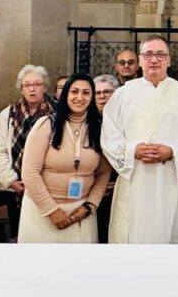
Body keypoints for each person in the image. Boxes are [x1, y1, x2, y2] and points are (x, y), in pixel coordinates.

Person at [101, 35, 178, 244]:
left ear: (169, 59)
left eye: (160, 54)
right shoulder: (122, 94)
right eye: (148, 54)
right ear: (140, 60)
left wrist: (173, 152)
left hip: (169, 177)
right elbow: (109, 137)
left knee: (167, 236)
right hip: (134, 175)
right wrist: (132, 151)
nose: (154, 59)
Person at [19, 73, 111, 243]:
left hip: (81, 214)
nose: (79, 97)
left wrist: (90, 206)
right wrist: (52, 211)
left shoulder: (99, 129)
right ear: (65, 95)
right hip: (42, 213)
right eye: (74, 92)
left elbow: (104, 172)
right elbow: (30, 173)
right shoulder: (46, 124)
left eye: (86, 93)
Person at [0, 64, 55, 239]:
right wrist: (11, 180)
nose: (32, 89)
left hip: (49, 187)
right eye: (27, 85)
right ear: (21, 88)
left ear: (45, 87)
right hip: (17, 187)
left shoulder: (57, 113)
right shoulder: (8, 114)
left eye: (37, 84)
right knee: (21, 235)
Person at [92, 73, 121, 244]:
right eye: (98, 93)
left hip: (119, 185)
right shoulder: (87, 122)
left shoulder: (124, 121)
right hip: (93, 188)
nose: (102, 97)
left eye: (107, 92)